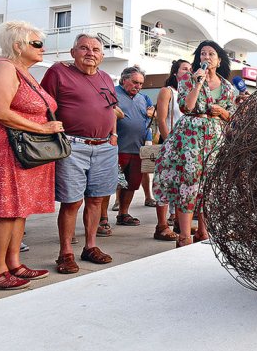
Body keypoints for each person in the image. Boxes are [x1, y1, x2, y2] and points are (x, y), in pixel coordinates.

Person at [0, 21, 63, 289]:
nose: (42, 48)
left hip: (24, 149)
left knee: (19, 209)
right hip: (7, 148)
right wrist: (42, 127)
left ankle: (13, 264)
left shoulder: (23, 71)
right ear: (18, 45)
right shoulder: (4, 66)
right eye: (36, 43)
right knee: (5, 210)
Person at [41, 33, 119, 274]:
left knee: (96, 199)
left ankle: (90, 246)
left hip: (105, 146)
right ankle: (65, 252)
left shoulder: (105, 77)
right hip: (73, 146)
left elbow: (112, 108)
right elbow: (44, 106)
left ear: (102, 56)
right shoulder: (58, 72)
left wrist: (114, 135)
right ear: (72, 52)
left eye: (96, 49)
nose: (90, 53)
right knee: (72, 200)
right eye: (84, 48)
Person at [154, 41, 237, 247]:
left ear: (219, 60)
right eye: (203, 53)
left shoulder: (228, 87)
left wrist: (223, 112)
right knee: (189, 183)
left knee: (209, 184)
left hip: (215, 139)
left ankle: (203, 230)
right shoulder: (188, 81)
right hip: (190, 138)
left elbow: (231, 116)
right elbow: (187, 107)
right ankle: (184, 236)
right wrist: (198, 83)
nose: (206, 57)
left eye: (211, 54)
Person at [152, 59, 191, 241]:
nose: (188, 72)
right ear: (175, 72)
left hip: (187, 147)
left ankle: (177, 220)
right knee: (165, 183)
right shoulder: (167, 91)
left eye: (191, 69)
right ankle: (161, 225)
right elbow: (161, 119)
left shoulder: (190, 92)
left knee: (182, 185)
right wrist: (169, 143)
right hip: (171, 144)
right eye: (184, 69)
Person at [114, 66, 154, 228]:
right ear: (124, 80)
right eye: (135, 82)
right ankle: (102, 218)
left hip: (137, 148)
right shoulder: (113, 92)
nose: (138, 86)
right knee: (112, 184)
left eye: (141, 83)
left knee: (131, 184)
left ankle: (123, 213)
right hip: (117, 147)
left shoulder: (143, 98)